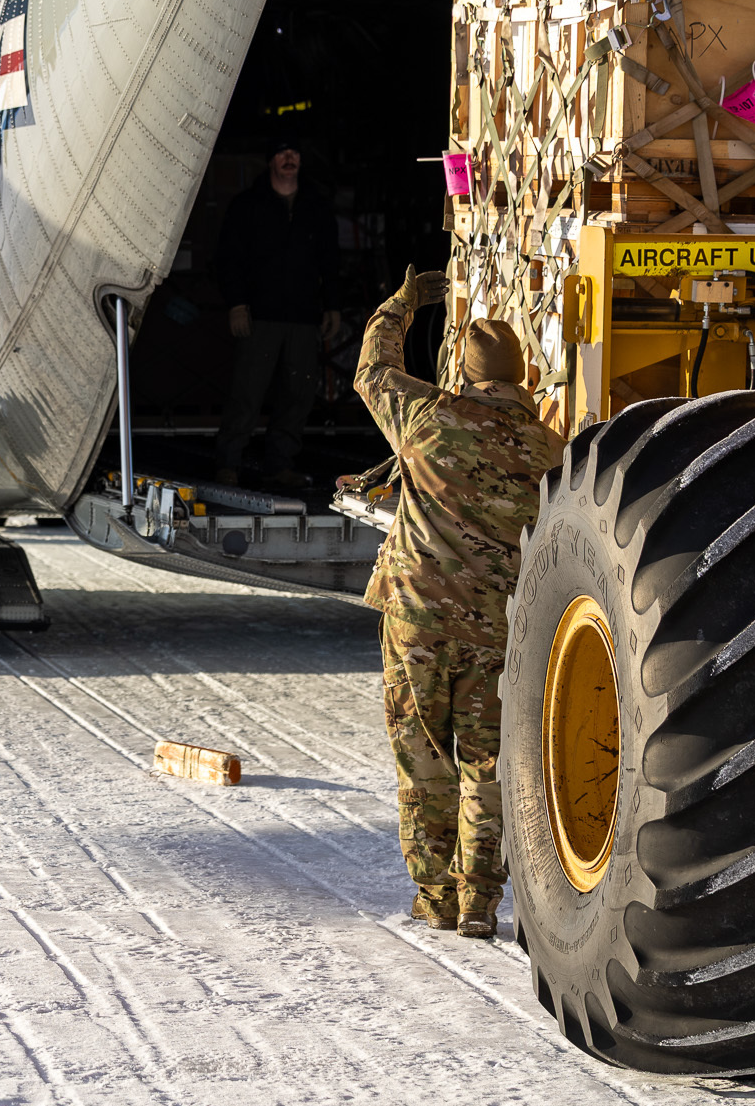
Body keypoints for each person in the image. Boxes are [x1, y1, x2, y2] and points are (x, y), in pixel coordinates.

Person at [354, 266, 562, 938]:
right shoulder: (548, 448)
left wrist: (402, 302)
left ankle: (436, 896)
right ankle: (479, 899)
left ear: (465, 373)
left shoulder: (428, 417)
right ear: (519, 375)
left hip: (416, 618)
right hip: (496, 629)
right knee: (486, 762)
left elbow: (372, 370)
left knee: (422, 760)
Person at [212, 141, 343, 488]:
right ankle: (229, 463)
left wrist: (332, 305)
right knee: (247, 392)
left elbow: (330, 260)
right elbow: (229, 258)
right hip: (260, 314)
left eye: (295, 153)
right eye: (282, 152)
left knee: (297, 396)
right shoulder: (248, 205)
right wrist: (237, 303)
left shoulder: (316, 206)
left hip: (303, 315)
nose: (289, 158)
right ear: (270, 159)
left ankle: (279, 465)